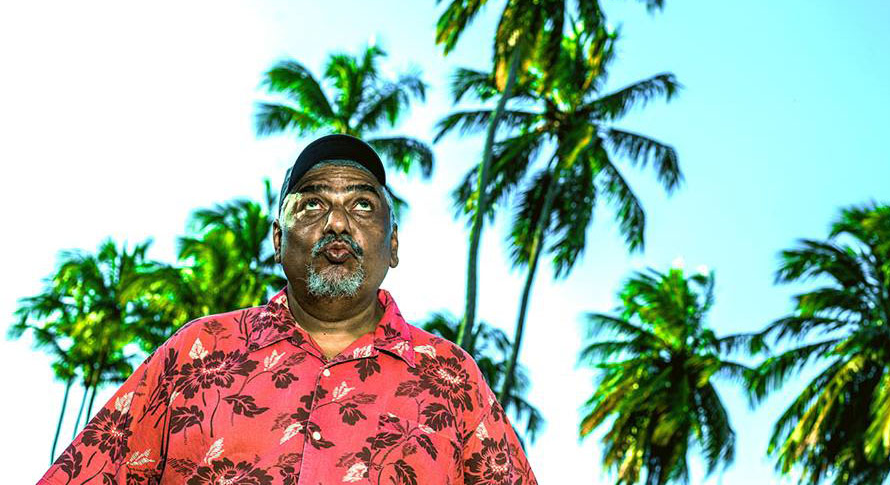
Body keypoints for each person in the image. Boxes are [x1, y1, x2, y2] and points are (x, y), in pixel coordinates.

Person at [39, 134, 538, 485]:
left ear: (393, 246)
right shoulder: (198, 351)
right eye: (313, 204)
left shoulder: (453, 377)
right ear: (278, 240)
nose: (338, 223)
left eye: (363, 205)